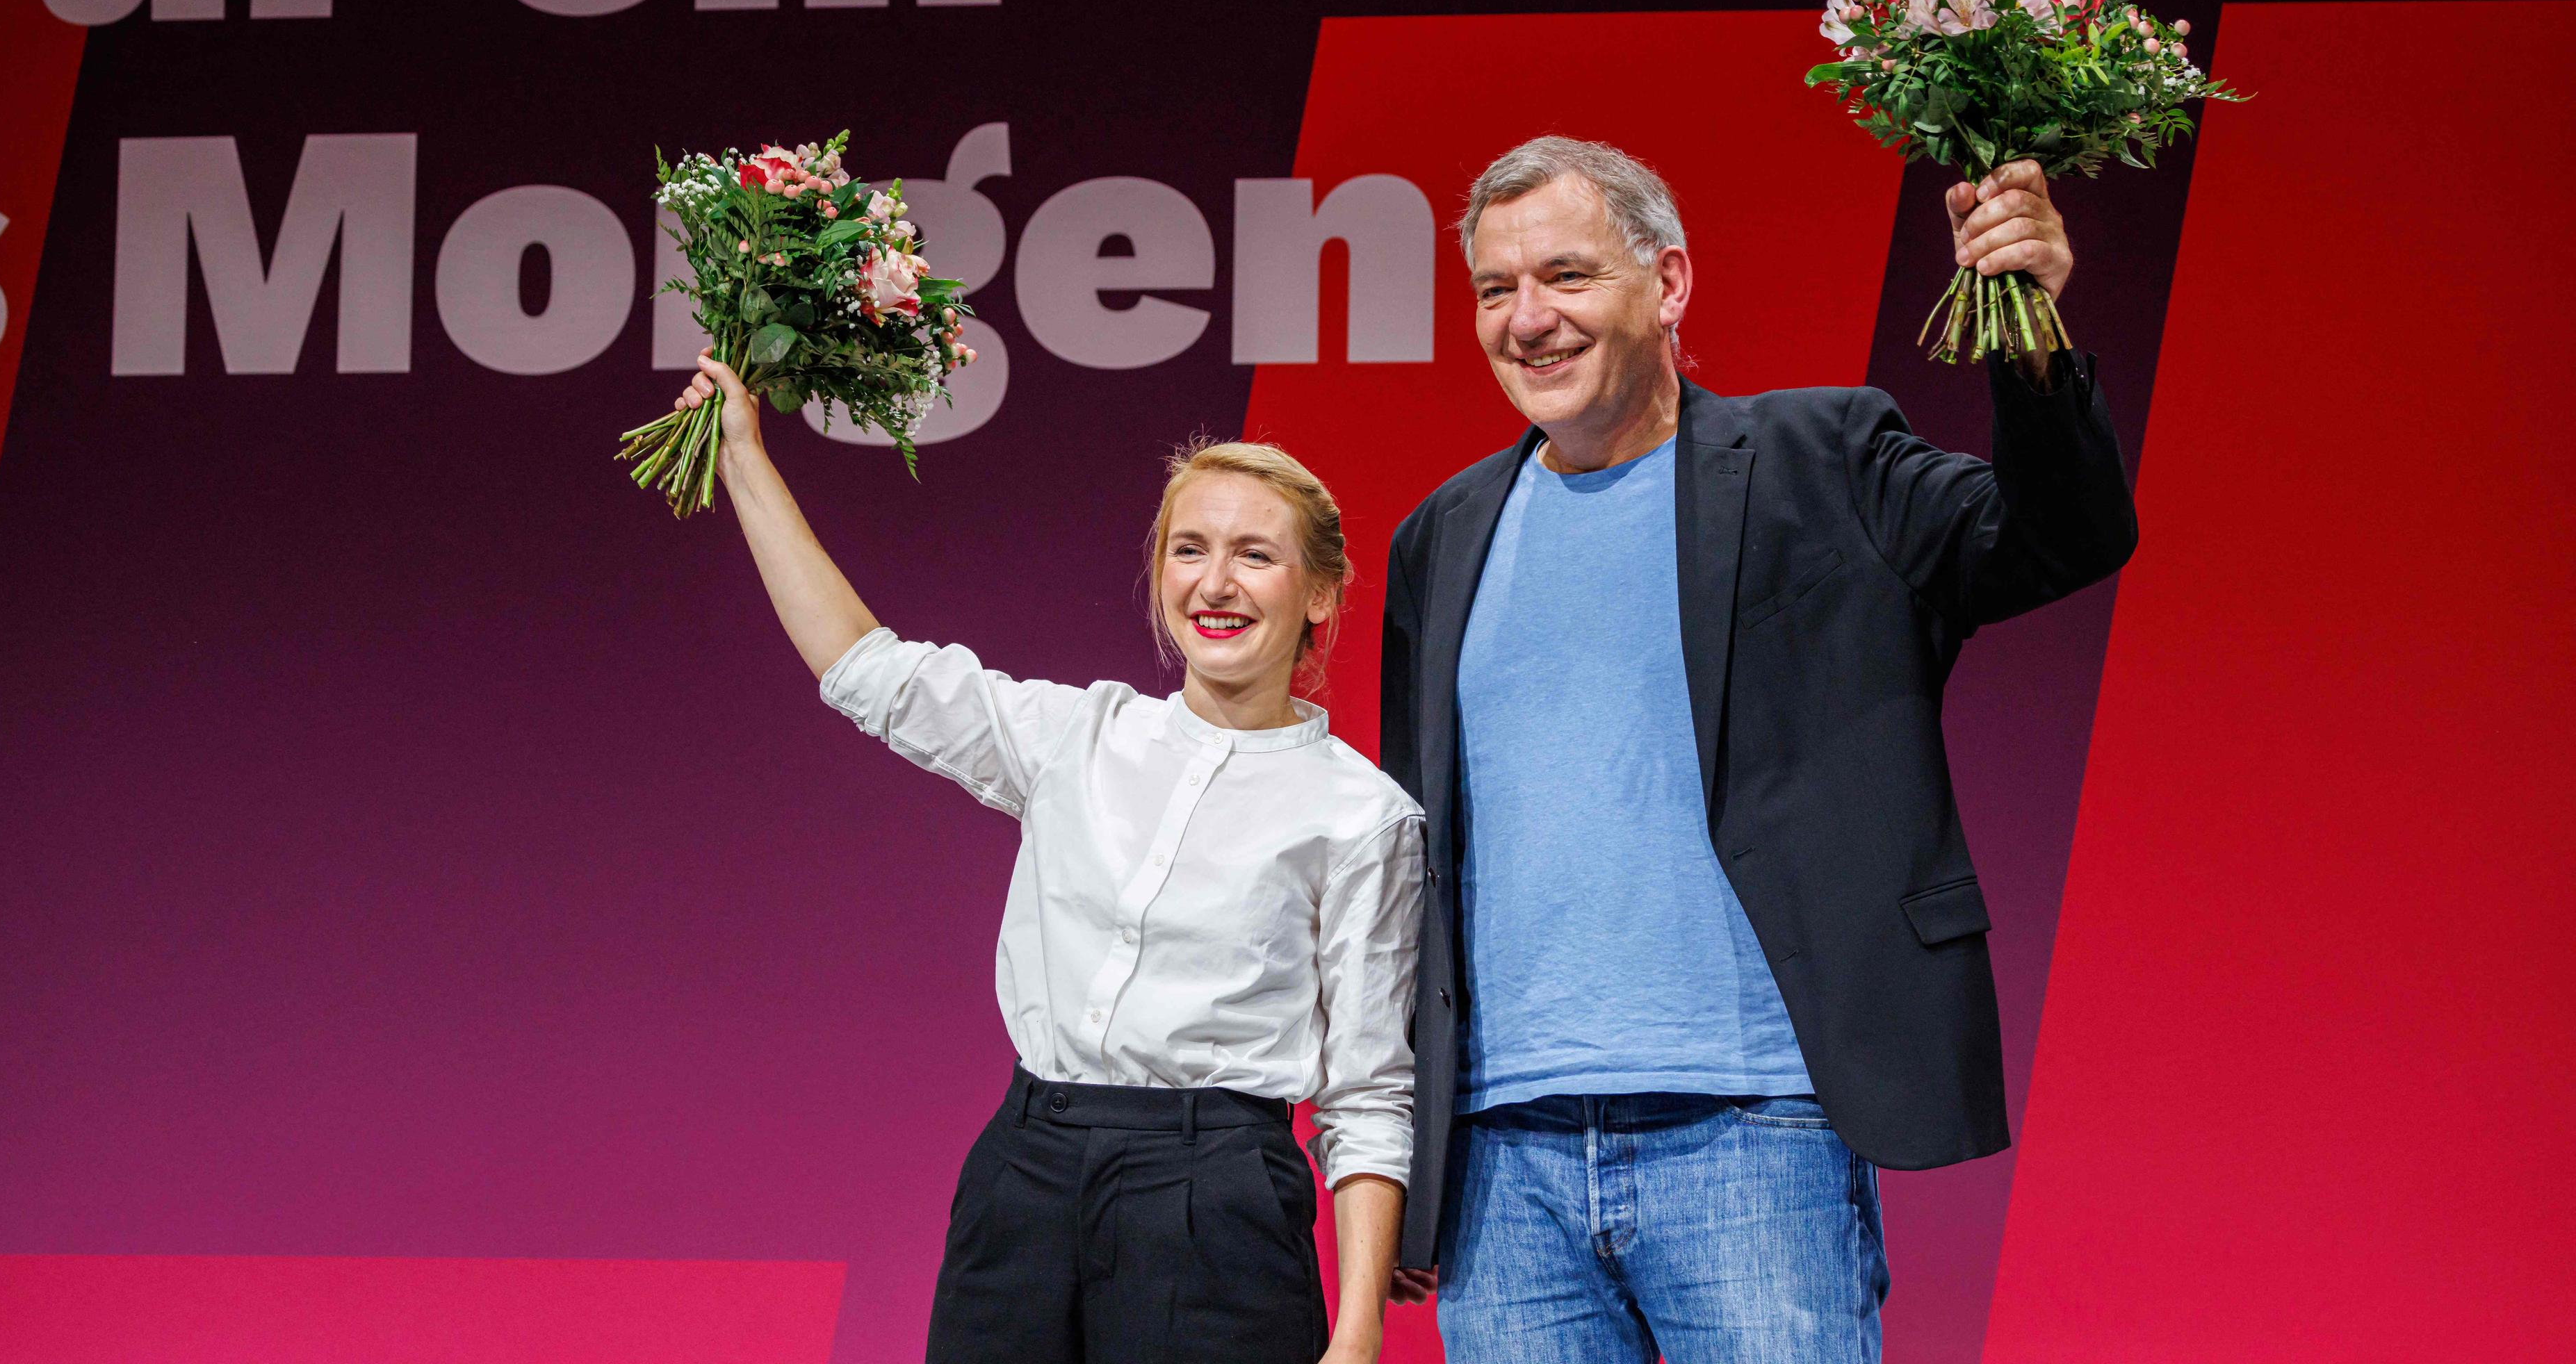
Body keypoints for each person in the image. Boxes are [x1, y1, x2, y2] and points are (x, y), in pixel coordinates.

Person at [1377, 137, 2139, 1361]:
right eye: (1494, 290)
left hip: (1754, 1131)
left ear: (1668, 283)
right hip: (1502, 1164)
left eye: (1567, 276)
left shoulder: (1821, 458)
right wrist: (1401, 1146)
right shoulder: (1441, 537)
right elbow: (1414, 860)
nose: (1529, 320)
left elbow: (2060, 535)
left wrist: (2028, 326)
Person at [674, 352, 1424, 1364]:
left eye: (1255, 555)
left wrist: (1359, 1331)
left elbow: (1368, 1092)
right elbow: (867, 669)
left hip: (1219, 1198)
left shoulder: (1363, 816)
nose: (1214, 583)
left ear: (1321, 592)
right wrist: (743, 460)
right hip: (1026, 1170)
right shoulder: (1078, 735)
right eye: (1188, 549)